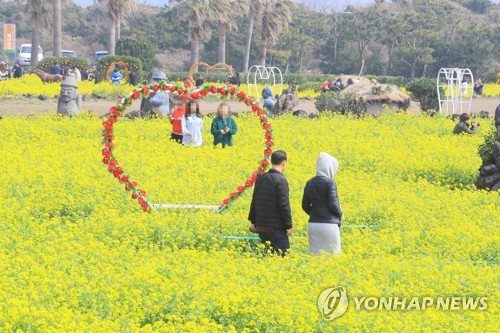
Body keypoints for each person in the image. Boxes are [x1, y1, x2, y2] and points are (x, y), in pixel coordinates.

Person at [249, 150, 293, 256]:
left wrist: (254, 222)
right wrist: (289, 226)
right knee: (283, 258)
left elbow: (254, 201)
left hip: (262, 227)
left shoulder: (260, 178)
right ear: (284, 163)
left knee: (268, 258)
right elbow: (284, 205)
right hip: (277, 228)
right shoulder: (281, 180)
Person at [302, 152, 343, 255]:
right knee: (333, 256)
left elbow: (305, 205)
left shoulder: (309, 182)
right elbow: (334, 205)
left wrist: (315, 213)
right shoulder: (330, 183)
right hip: (329, 225)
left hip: (314, 224)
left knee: (316, 256)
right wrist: (340, 213)